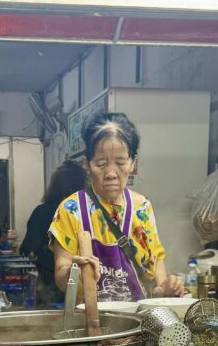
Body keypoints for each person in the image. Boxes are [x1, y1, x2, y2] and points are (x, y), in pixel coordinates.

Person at [50, 112, 185, 301]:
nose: (111, 173)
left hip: (139, 323)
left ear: (133, 164)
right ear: (87, 165)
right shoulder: (71, 210)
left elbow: (156, 271)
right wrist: (74, 272)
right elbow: (61, 275)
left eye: (120, 163)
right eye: (101, 164)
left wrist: (168, 288)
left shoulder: (142, 208)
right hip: (91, 323)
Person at [20, 159, 86, 304]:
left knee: (51, 324)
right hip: (84, 287)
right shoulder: (87, 213)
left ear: (54, 187)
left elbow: (26, 249)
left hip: (49, 286)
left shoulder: (41, 213)